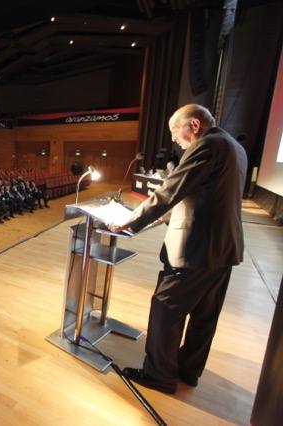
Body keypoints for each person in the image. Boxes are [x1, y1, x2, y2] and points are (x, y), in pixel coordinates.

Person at [107, 104, 247, 394]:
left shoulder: (208, 145)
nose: (174, 139)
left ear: (194, 125)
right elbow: (209, 195)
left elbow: (170, 190)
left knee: (165, 309)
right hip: (223, 248)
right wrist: (167, 216)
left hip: (197, 248)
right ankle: (188, 370)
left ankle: (159, 376)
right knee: (204, 317)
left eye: (175, 131)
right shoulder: (235, 147)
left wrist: (129, 221)